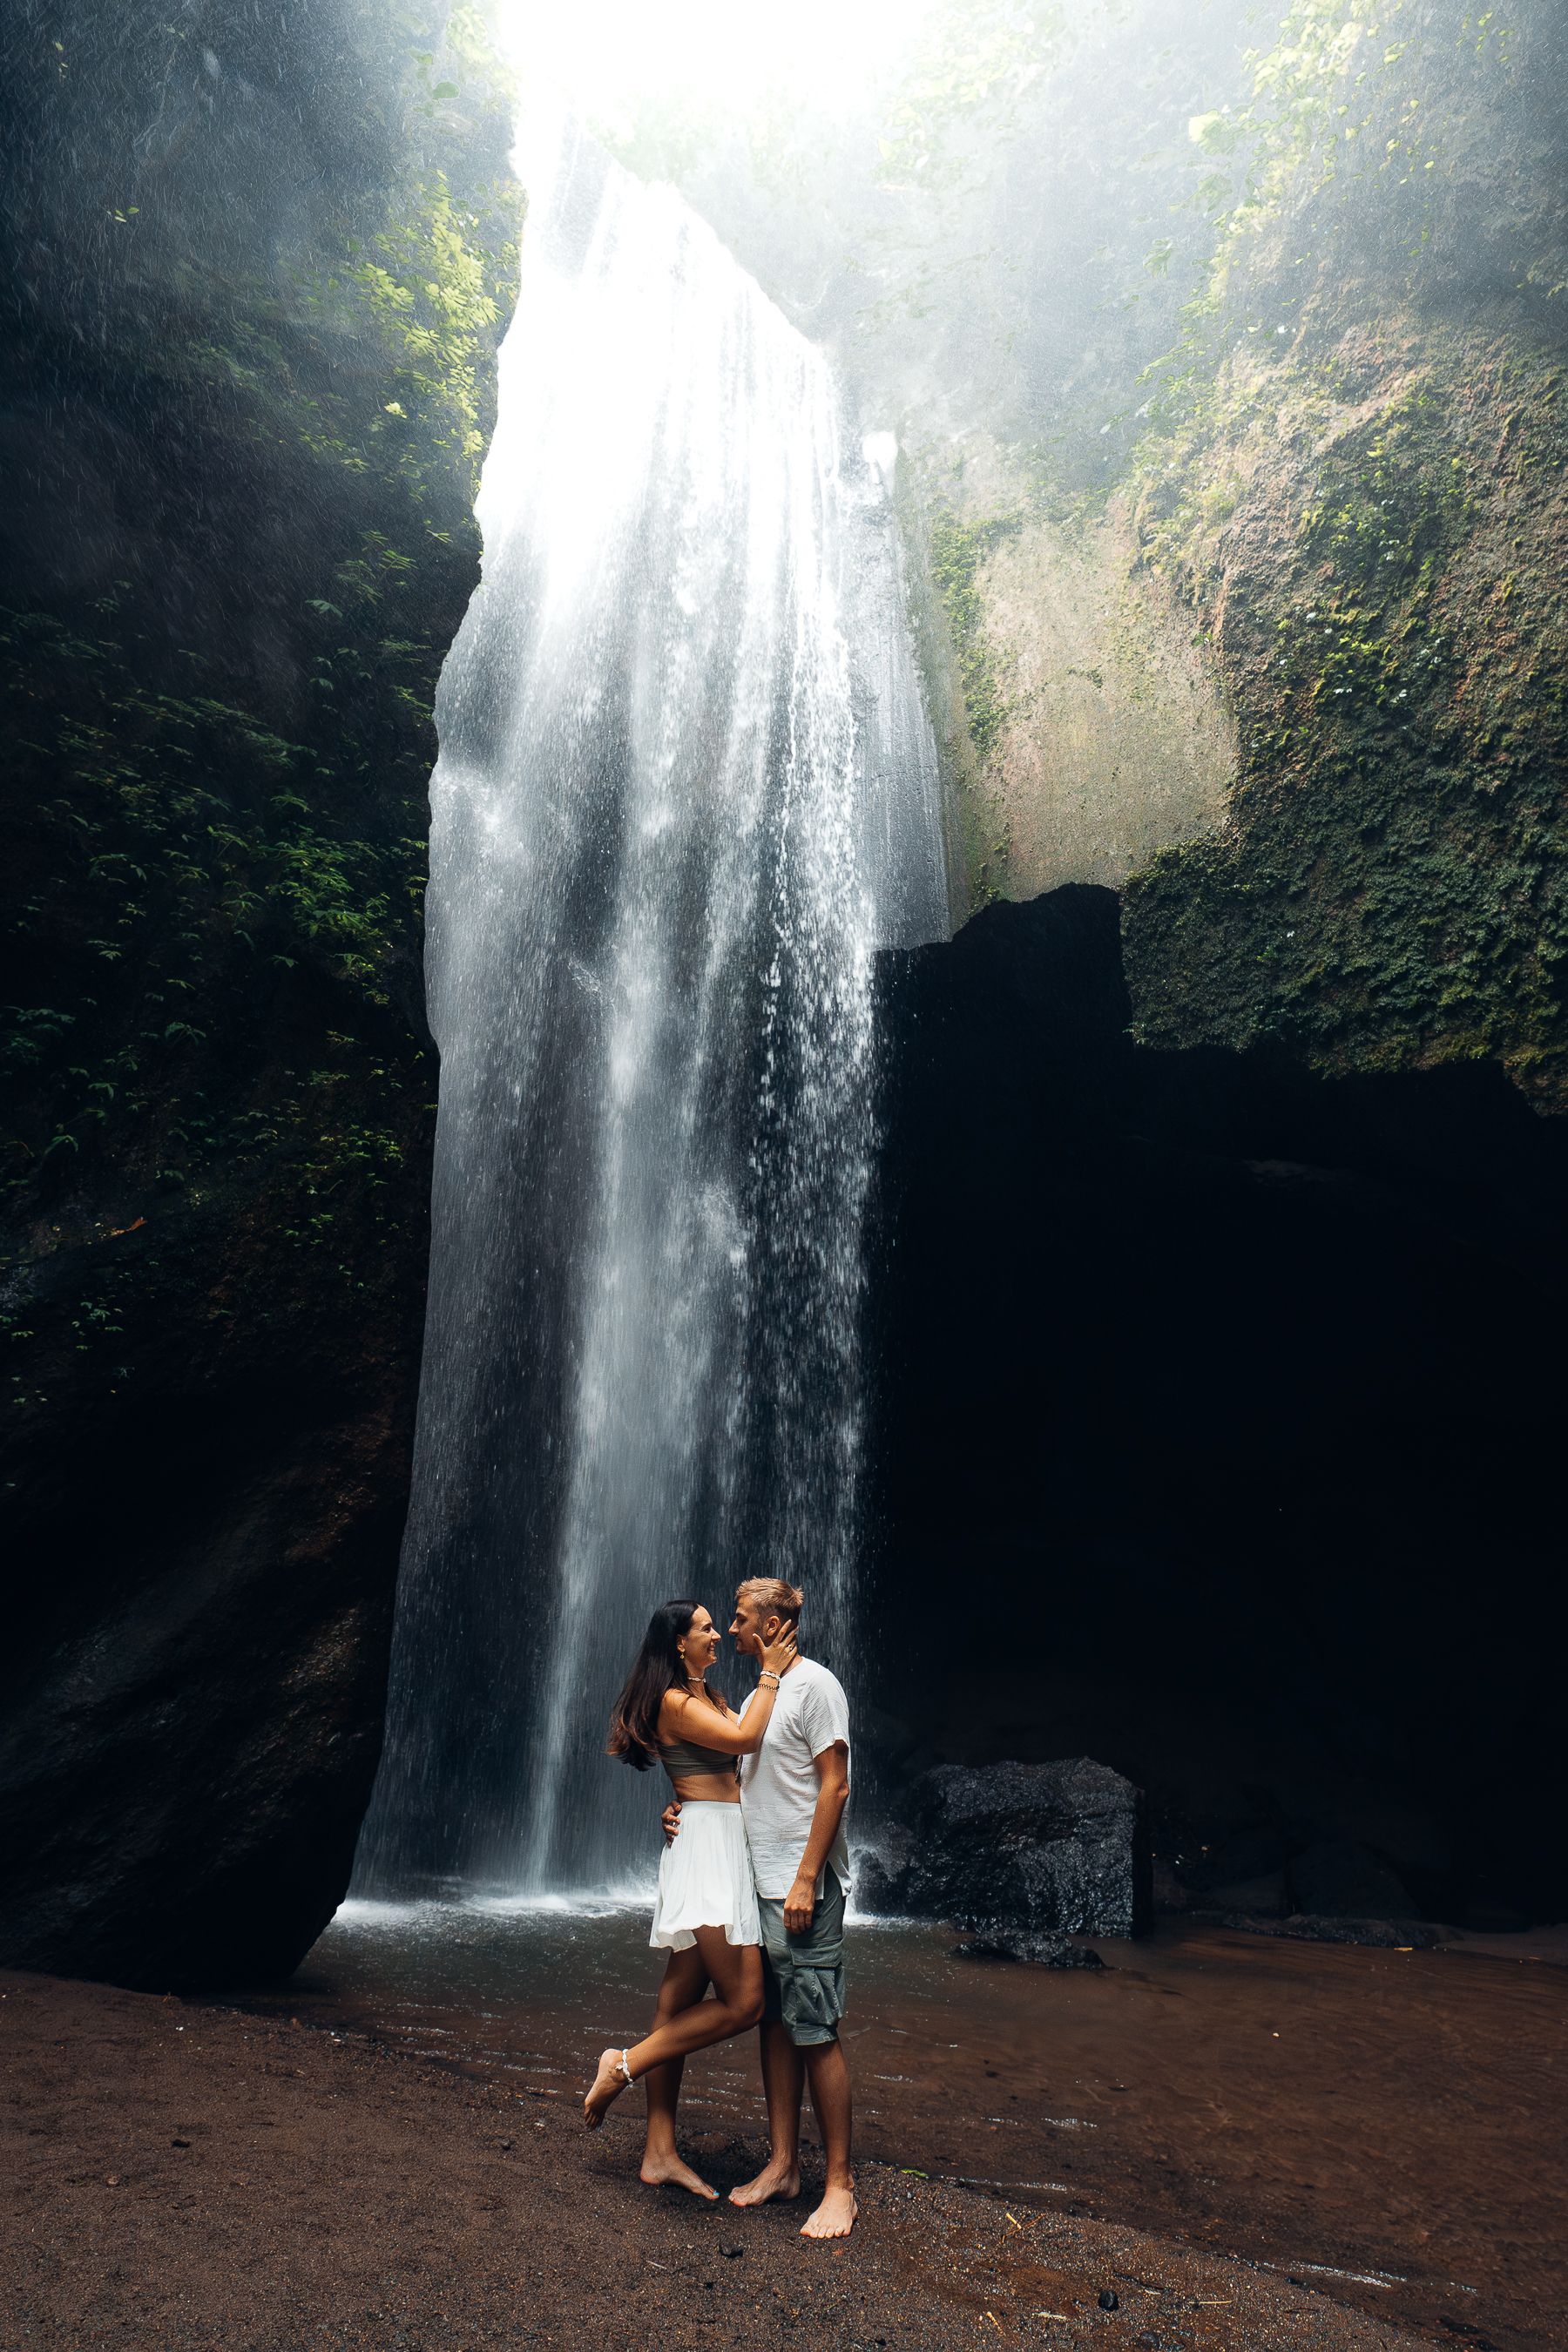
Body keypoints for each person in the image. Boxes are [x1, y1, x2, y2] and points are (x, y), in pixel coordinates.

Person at [582, 1598, 799, 2201]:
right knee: (747, 2003)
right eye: (706, 1628)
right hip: (708, 1849)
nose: (716, 1635)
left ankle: (658, 2153)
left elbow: (727, 1769)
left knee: (678, 1998)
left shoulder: (708, 1695)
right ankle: (622, 2065)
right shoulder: (677, 1702)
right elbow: (746, 1741)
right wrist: (773, 1671)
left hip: (719, 1842)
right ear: (679, 1643)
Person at [663, 1576, 856, 2239]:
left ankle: (839, 2185)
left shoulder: (818, 1687)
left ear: (771, 1625)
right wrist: (683, 1811)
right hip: (756, 1884)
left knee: (816, 2029)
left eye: (741, 1619)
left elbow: (836, 1786)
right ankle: (782, 2165)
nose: (731, 1630)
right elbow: (742, 1783)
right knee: (776, 2023)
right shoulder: (755, 1696)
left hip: (799, 1889)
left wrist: (806, 1879)